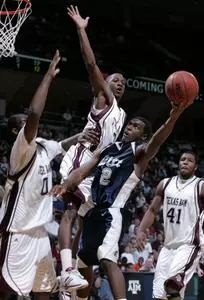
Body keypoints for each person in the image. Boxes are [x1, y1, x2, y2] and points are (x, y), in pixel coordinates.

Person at [51, 101, 189, 300]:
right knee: (83, 262)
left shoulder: (138, 152)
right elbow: (83, 170)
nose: (130, 127)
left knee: (107, 260)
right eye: (130, 124)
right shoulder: (107, 149)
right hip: (94, 212)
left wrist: (173, 116)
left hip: (112, 212)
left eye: (136, 127)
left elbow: (157, 141)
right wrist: (66, 184)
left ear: (142, 136)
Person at [0, 50, 98, 300]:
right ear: (15, 131)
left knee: (43, 290)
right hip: (17, 232)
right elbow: (34, 113)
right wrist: (47, 77)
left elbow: (62, 145)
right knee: (6, 290)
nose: (30, 124)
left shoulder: (43, 144)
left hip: (40, 233)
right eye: (22, 123)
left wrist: (81, 136)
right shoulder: (21, 148)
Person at [58, 5, 126, 292]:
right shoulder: (104, 98)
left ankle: (70, 276)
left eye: (123, 82)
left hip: (97, 171)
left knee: (85, 222)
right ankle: (66, 269)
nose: (119, 83)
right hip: (81, 160)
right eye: (115, 80)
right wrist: (81, 31)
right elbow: (91, 65)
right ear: (105, 85)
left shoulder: (121, 116)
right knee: (71, 211)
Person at [136, 151, 204, 300]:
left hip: (189, 245)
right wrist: (141, 230)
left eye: (190, 160)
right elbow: (153, 210)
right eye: (182, 159)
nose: (185, 162)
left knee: (172, 285)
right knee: (160, 294)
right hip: (168, 246)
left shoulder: (200, 186)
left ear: (196, 166)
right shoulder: (165, 183)